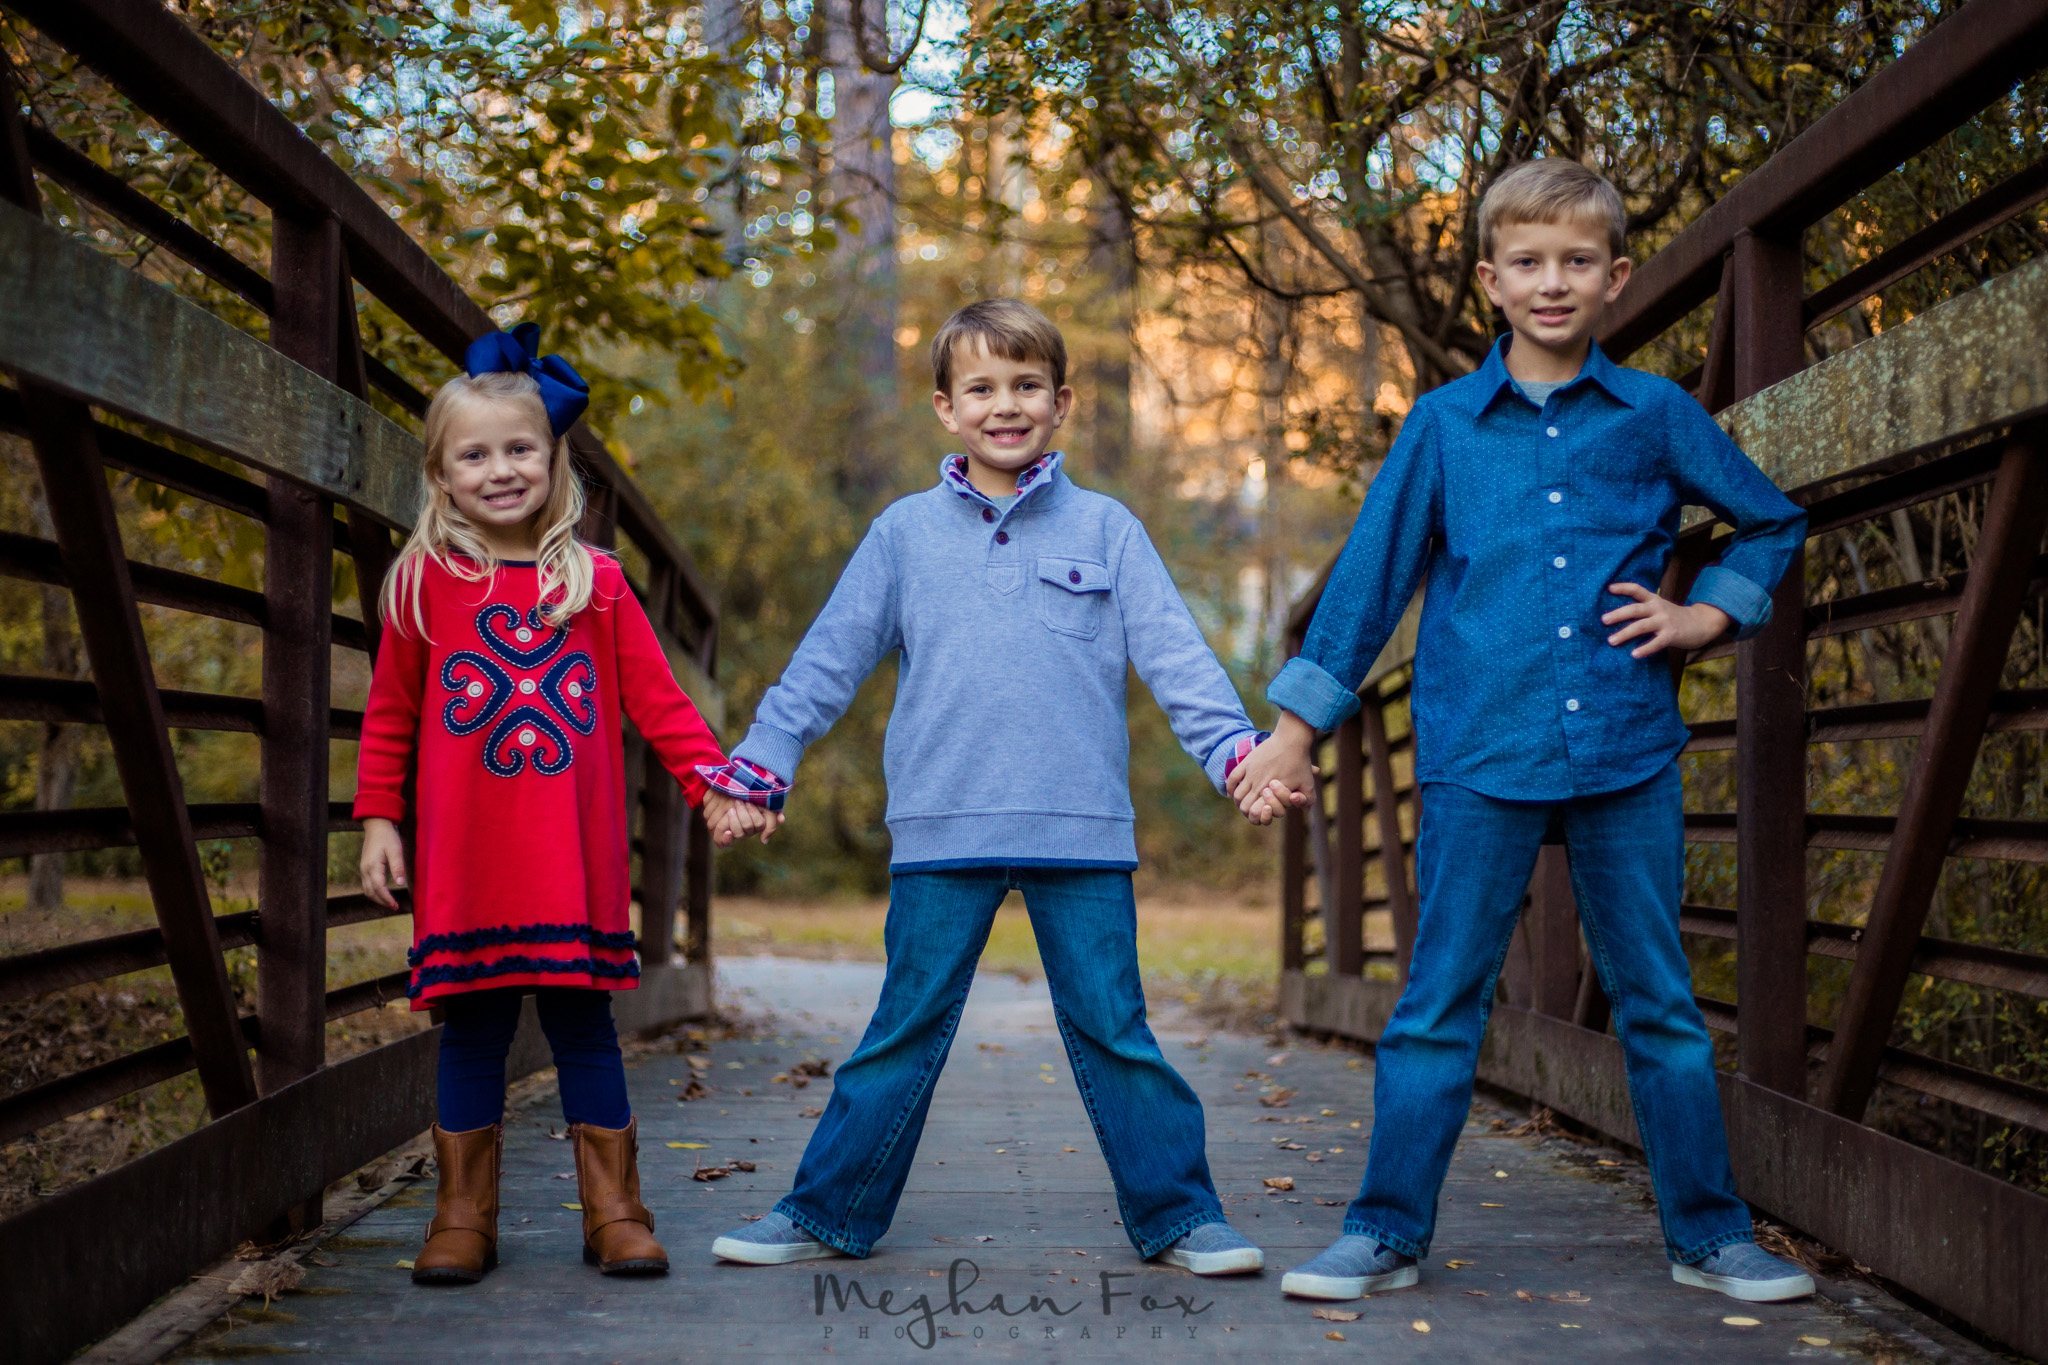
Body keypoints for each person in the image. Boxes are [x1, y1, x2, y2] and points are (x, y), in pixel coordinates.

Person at [1228, 159, 1818, 1305]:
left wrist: (1703, 615)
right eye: (1529, 263)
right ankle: (1382, 1235)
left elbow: (1769, 520)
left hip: (1624, 750)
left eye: (1576, 262)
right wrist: (1294, 731)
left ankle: (1708, 1239)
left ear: (1614, 277)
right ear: (1492, 281)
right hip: (1478, 754)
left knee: (1658, 1002)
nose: (1553, 282)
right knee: (1437, 1004)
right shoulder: (1443, 428)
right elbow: (1368, 580)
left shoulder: (1653, 414)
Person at [699, 298, 1269, 1276]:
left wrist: (1233, 754)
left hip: (1080, 828)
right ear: (946, 408)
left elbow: (1176, 656)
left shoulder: (1107, 527)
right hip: (942, 824)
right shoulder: (902, 534)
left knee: (1114, 1026)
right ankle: (827, 1211)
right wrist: (761, 760)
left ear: (1061, 402)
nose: (1005, 405)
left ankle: (1180, 1215)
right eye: (981, 388)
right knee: (903, 1026)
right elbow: (827, 659)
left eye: (1026, 385)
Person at [354, 326, 764, 1286]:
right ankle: (462, 1216)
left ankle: (616, 1211)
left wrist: (715, 783)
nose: (500, 470)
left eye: (520, 449)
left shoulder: (596, 583)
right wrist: (377, 818)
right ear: (441, 474)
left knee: (585, 1025)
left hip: (571, 860)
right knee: (474, 1029)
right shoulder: (424, 583)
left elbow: (662, 702)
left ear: (553, 460)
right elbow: (390, 712)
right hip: (468, 858)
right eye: (475, 455)